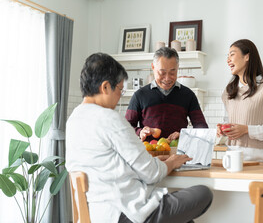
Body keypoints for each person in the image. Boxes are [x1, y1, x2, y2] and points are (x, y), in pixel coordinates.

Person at [66, 53, 213, 223]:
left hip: (96, 213)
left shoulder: (74, 119)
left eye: (172, 72)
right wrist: (172, 162)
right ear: (106, 87)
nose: (120, 95)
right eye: (120, 89)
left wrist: (164, 158)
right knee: (204, 193)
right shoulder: (109, 118)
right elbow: (151, 174)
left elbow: (114, 161)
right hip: (125, 212)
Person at [217, 39, 263, 162]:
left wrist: (247, 130)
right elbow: (228, 121)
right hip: (232, 157)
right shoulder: (229, 91)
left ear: (247, 57)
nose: (228, 60)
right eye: (227, 56)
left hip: (261, 160)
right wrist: (222, 129)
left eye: (232, 54)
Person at [126, 47, 208, 142]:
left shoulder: (188, 95)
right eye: (162, 73)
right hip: (149, 154)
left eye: (172, 73)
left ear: (178, 68)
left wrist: (184, 135)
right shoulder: (140, 95)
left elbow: (202, 128)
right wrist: (140, 132)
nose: (167, 78)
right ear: (153, 67)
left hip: (179, 153)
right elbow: (126, 127)